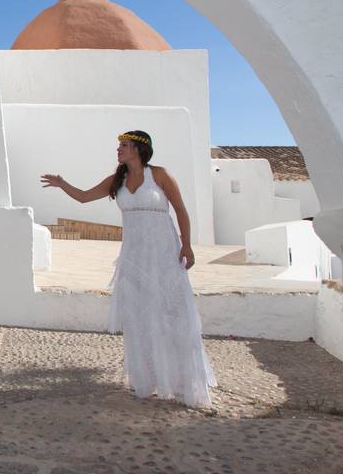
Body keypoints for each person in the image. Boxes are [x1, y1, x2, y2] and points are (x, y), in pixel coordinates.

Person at [40, 130, 216, 407]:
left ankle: (183, 381)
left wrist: (187, 245)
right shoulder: (117, 180)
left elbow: (181, 210)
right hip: (134, 255)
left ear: (138, 148)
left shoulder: (159, 175)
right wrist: (63, 184)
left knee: (173, 312)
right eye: (119, 146)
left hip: (163, 251)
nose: (118, 150)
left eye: (123, 145)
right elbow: (84, 197)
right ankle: (146, 379)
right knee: (139, 315)